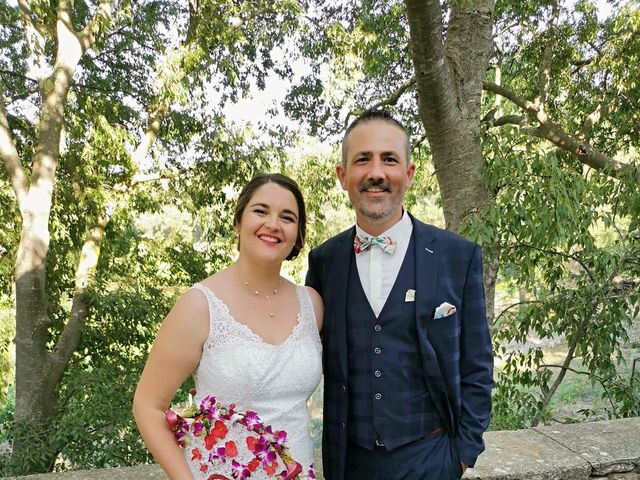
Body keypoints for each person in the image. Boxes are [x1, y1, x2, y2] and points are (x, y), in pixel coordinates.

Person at [306, 109, 493, 479]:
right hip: (350, 465)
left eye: (389, 159)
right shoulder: (324, 262)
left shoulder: (458, 256)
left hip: (432, 460)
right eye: (362, 159)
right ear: (343, 176)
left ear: (408, 173)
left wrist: (462, 454)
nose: (376, 172)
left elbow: (477, 364)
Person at [133, 173, 323, 480]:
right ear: (238, 221)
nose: (273, 224)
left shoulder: (312, 304)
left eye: (287, 217)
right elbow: (148, 406)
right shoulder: (199, 306)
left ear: (297, 234)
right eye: (261, 211)